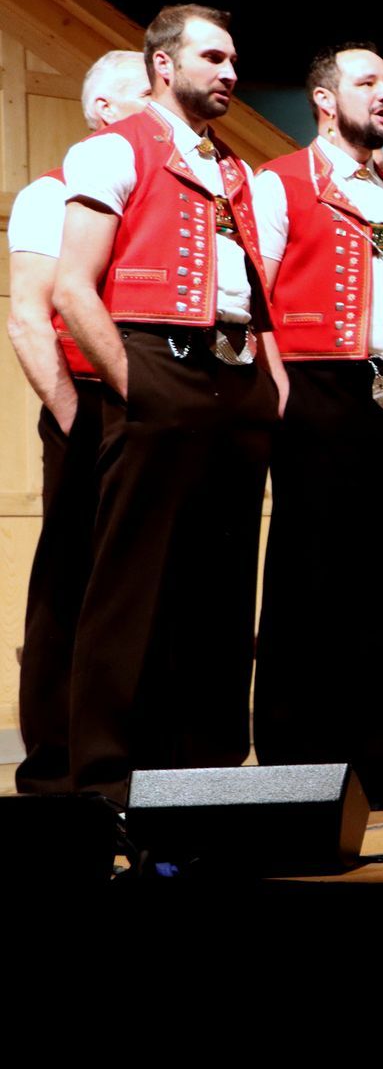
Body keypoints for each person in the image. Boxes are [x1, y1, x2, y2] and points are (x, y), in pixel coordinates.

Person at [53, 5, 278, 804]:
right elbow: (72, 288)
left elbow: (246, 286)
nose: (229, 73)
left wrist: (266, 385)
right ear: (162, 63)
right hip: (158, 363)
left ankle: (207, 773)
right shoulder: (114, 149)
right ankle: (104, 778)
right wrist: (137, 385)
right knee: (130, 586)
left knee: (222, 590)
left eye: (233, 59)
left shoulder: (233, 167)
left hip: (233, 374)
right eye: (212, 58)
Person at [250, 43, 383, 810]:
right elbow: (257, 295)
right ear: (325, 100)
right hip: (320, 389)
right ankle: (301, 766)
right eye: (368, 81)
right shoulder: (281, 181)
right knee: (313, 584)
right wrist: (282, 394)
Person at [6, 51, 148, 794]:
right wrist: (75, 421)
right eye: (144, 95)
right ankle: (54, 765)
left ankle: (130, 753)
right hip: (87, 403)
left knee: (135, 584)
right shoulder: (50, 193)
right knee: (70, 579)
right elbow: (30, 318)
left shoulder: (160, 194)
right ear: (102, 110)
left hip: (149, 402)